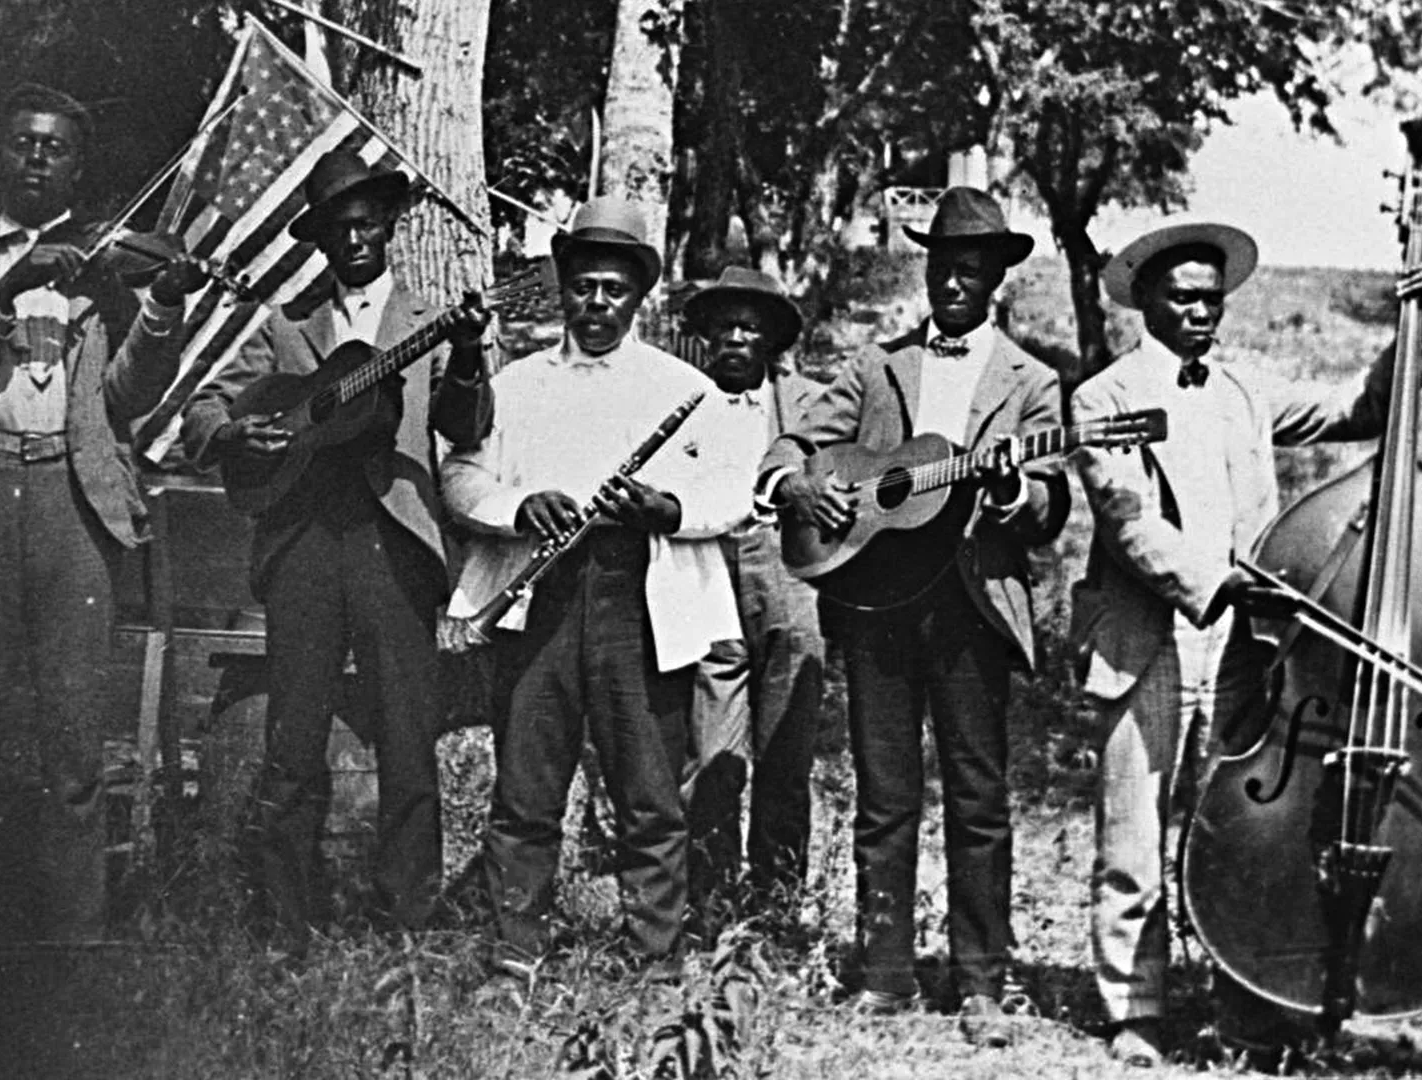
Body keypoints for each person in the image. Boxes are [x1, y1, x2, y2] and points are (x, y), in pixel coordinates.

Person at [1069, 219, 1422, 1066]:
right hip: (1147, 642)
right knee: (1133, 838)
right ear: (1148, 304)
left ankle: (1244, 1002)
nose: (1203, 313)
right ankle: (1135, 1012)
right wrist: (1220, 581)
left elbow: (1362, 408)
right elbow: (1129, 523)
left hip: (1243, 650)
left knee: (1237, 831)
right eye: (1184, 299)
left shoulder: (1244, 390)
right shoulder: (1102, 396)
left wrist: (1414, 333)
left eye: (1213, 300)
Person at [759, 187, 1070, 1048]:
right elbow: (795, 441)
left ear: (996, 279)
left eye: (972, 269)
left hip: (972, 607)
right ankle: (885, 975)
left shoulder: (1031, 381)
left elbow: (1049, 504)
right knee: (883, 796)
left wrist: (1011, 487)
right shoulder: (876, 365)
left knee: (978, 800)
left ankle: (981, 984)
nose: (955, 282)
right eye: (943, 265)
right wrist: (799, 486)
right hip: (876, 606)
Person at [0, 83, 208, 941]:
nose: (37, 158)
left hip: (72, 499)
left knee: (74, 733)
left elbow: (128, 400)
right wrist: (4, 298)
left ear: (78, 166)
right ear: (0, 157)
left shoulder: (104, 266)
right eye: (23, 143)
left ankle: (77, 940)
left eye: (56, 147)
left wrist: (162, 306)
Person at [180, 150, 494, 944]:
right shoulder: (288, 322)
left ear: (389, 225)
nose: (354, 238)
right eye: (336, 228)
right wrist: (231, 432)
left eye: (366, 222)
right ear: (319, 238)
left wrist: (464, 354)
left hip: (394, 547)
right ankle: (286, 921)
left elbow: (467, 428)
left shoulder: (428, 321)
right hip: (303, 544)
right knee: (294, 740)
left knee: (406, 738)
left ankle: (406, 924)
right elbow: (204, 405)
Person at [442, 197, 750, 978]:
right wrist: (519, 507)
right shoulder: (518, 383)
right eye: (583, 286)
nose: (597, 304)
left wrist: (666, 509)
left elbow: (733, 491)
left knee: (648, 788)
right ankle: (517, 949)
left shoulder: (685, 388)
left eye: (614, 288)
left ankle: (652, 954)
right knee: (527, 782)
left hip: (639, 596)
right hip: (540, 594)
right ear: (564, 288)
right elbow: (460, 474)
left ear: (639, 293)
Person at [679, 267, 826, 917]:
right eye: (724, 327)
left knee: (787, 753)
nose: (736, 338)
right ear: (706, 336)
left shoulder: (812, 403)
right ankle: (708, 903)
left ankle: (778, 907)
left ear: (772, 340)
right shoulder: (682, 399)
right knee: (711, 753)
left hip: (788, 574)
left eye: (751, 327)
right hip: (705, 571)